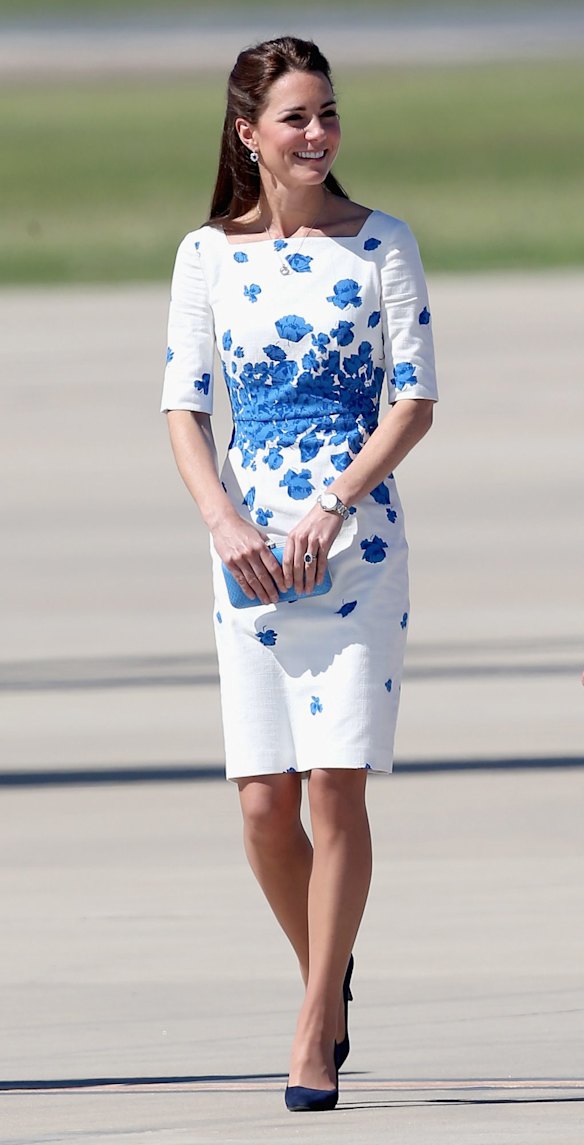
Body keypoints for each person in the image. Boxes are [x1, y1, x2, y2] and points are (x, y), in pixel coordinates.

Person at [161, 36, 438, 1112]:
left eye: (327, 113)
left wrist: (336, 501)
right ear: (249, 134)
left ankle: (315, 1020)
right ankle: (331, 959)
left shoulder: (380, 243)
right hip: (249, 556)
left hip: (355, 547)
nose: (317, 134)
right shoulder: (206, 255)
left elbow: (414, 400)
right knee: (265, 808)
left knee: (334, 782)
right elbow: (184, 407)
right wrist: (222, 519)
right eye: (295, 117)